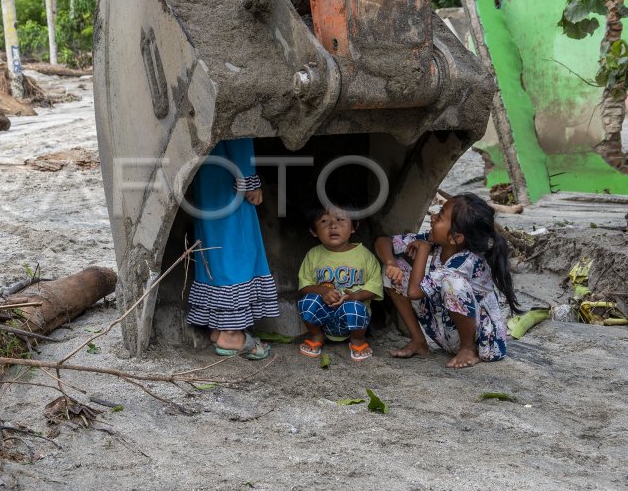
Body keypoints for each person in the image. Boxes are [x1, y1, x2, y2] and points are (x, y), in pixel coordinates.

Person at [375, 193, 521, 369]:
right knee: (394, 270)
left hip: (483, 340)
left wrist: (423, 250)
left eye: (440, 216)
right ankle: (418, 340)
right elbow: (383, 242)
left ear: (456, 237)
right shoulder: (438, 241)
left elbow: (414, 293)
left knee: (452, 283)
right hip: (445, 330)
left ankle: (468, 348)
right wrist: (391, 263)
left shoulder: (467, 260)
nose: (433, 217)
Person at [187, 138, 277, 359]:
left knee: (215, 248)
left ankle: (219, 328)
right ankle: (231, 334)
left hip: (208, 174)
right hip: (229, 178)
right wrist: (248, 178)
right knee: (236, 248)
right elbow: (237, 131)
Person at [296, 205, 384, 362]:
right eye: (324, 221)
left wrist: (355, 296)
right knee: (306, 302)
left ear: (353, 227)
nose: (333, 225)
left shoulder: (364, 256)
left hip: (353, 319)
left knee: (356, 306)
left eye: (340, 219)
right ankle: (317, 335)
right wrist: (322, 291)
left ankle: (357, 340)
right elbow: (304, 285)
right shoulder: (313, 255)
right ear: (314, 231)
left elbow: (375, 285)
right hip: (323, 318)